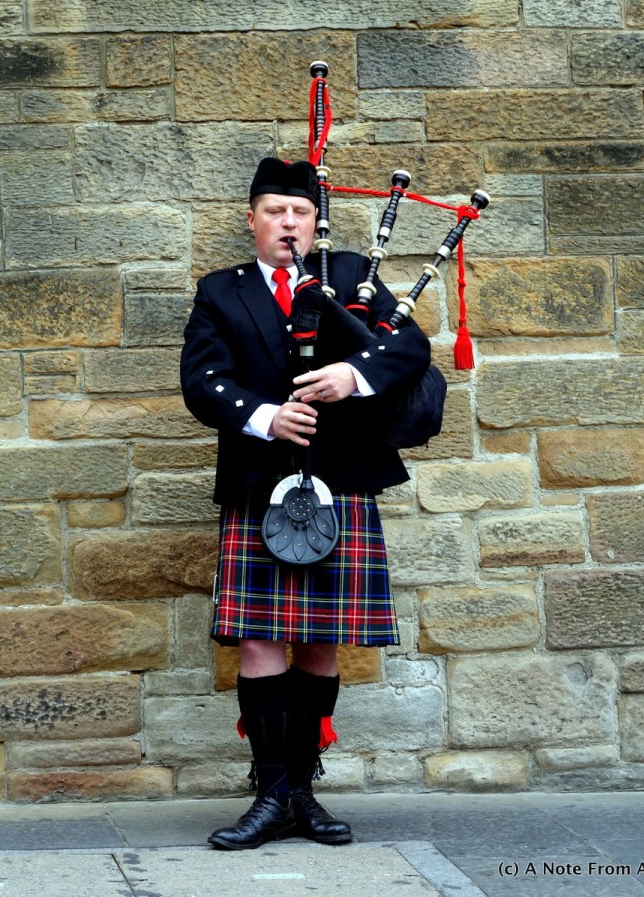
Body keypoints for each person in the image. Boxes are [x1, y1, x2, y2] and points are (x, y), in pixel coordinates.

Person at [180, 157, 430, 850]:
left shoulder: (349, 275)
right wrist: (266, 417)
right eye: (274, 211)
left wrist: (352, 374)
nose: (287, 223)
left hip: (340, 479)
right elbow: (201, 380)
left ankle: (301, 792)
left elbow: (410, 346)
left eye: (299, 212)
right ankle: (269, 797)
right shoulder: (221, 291)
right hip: (261, 482)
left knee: (321, 639)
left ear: (316, 221)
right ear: (252, 220)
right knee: (259, 637)